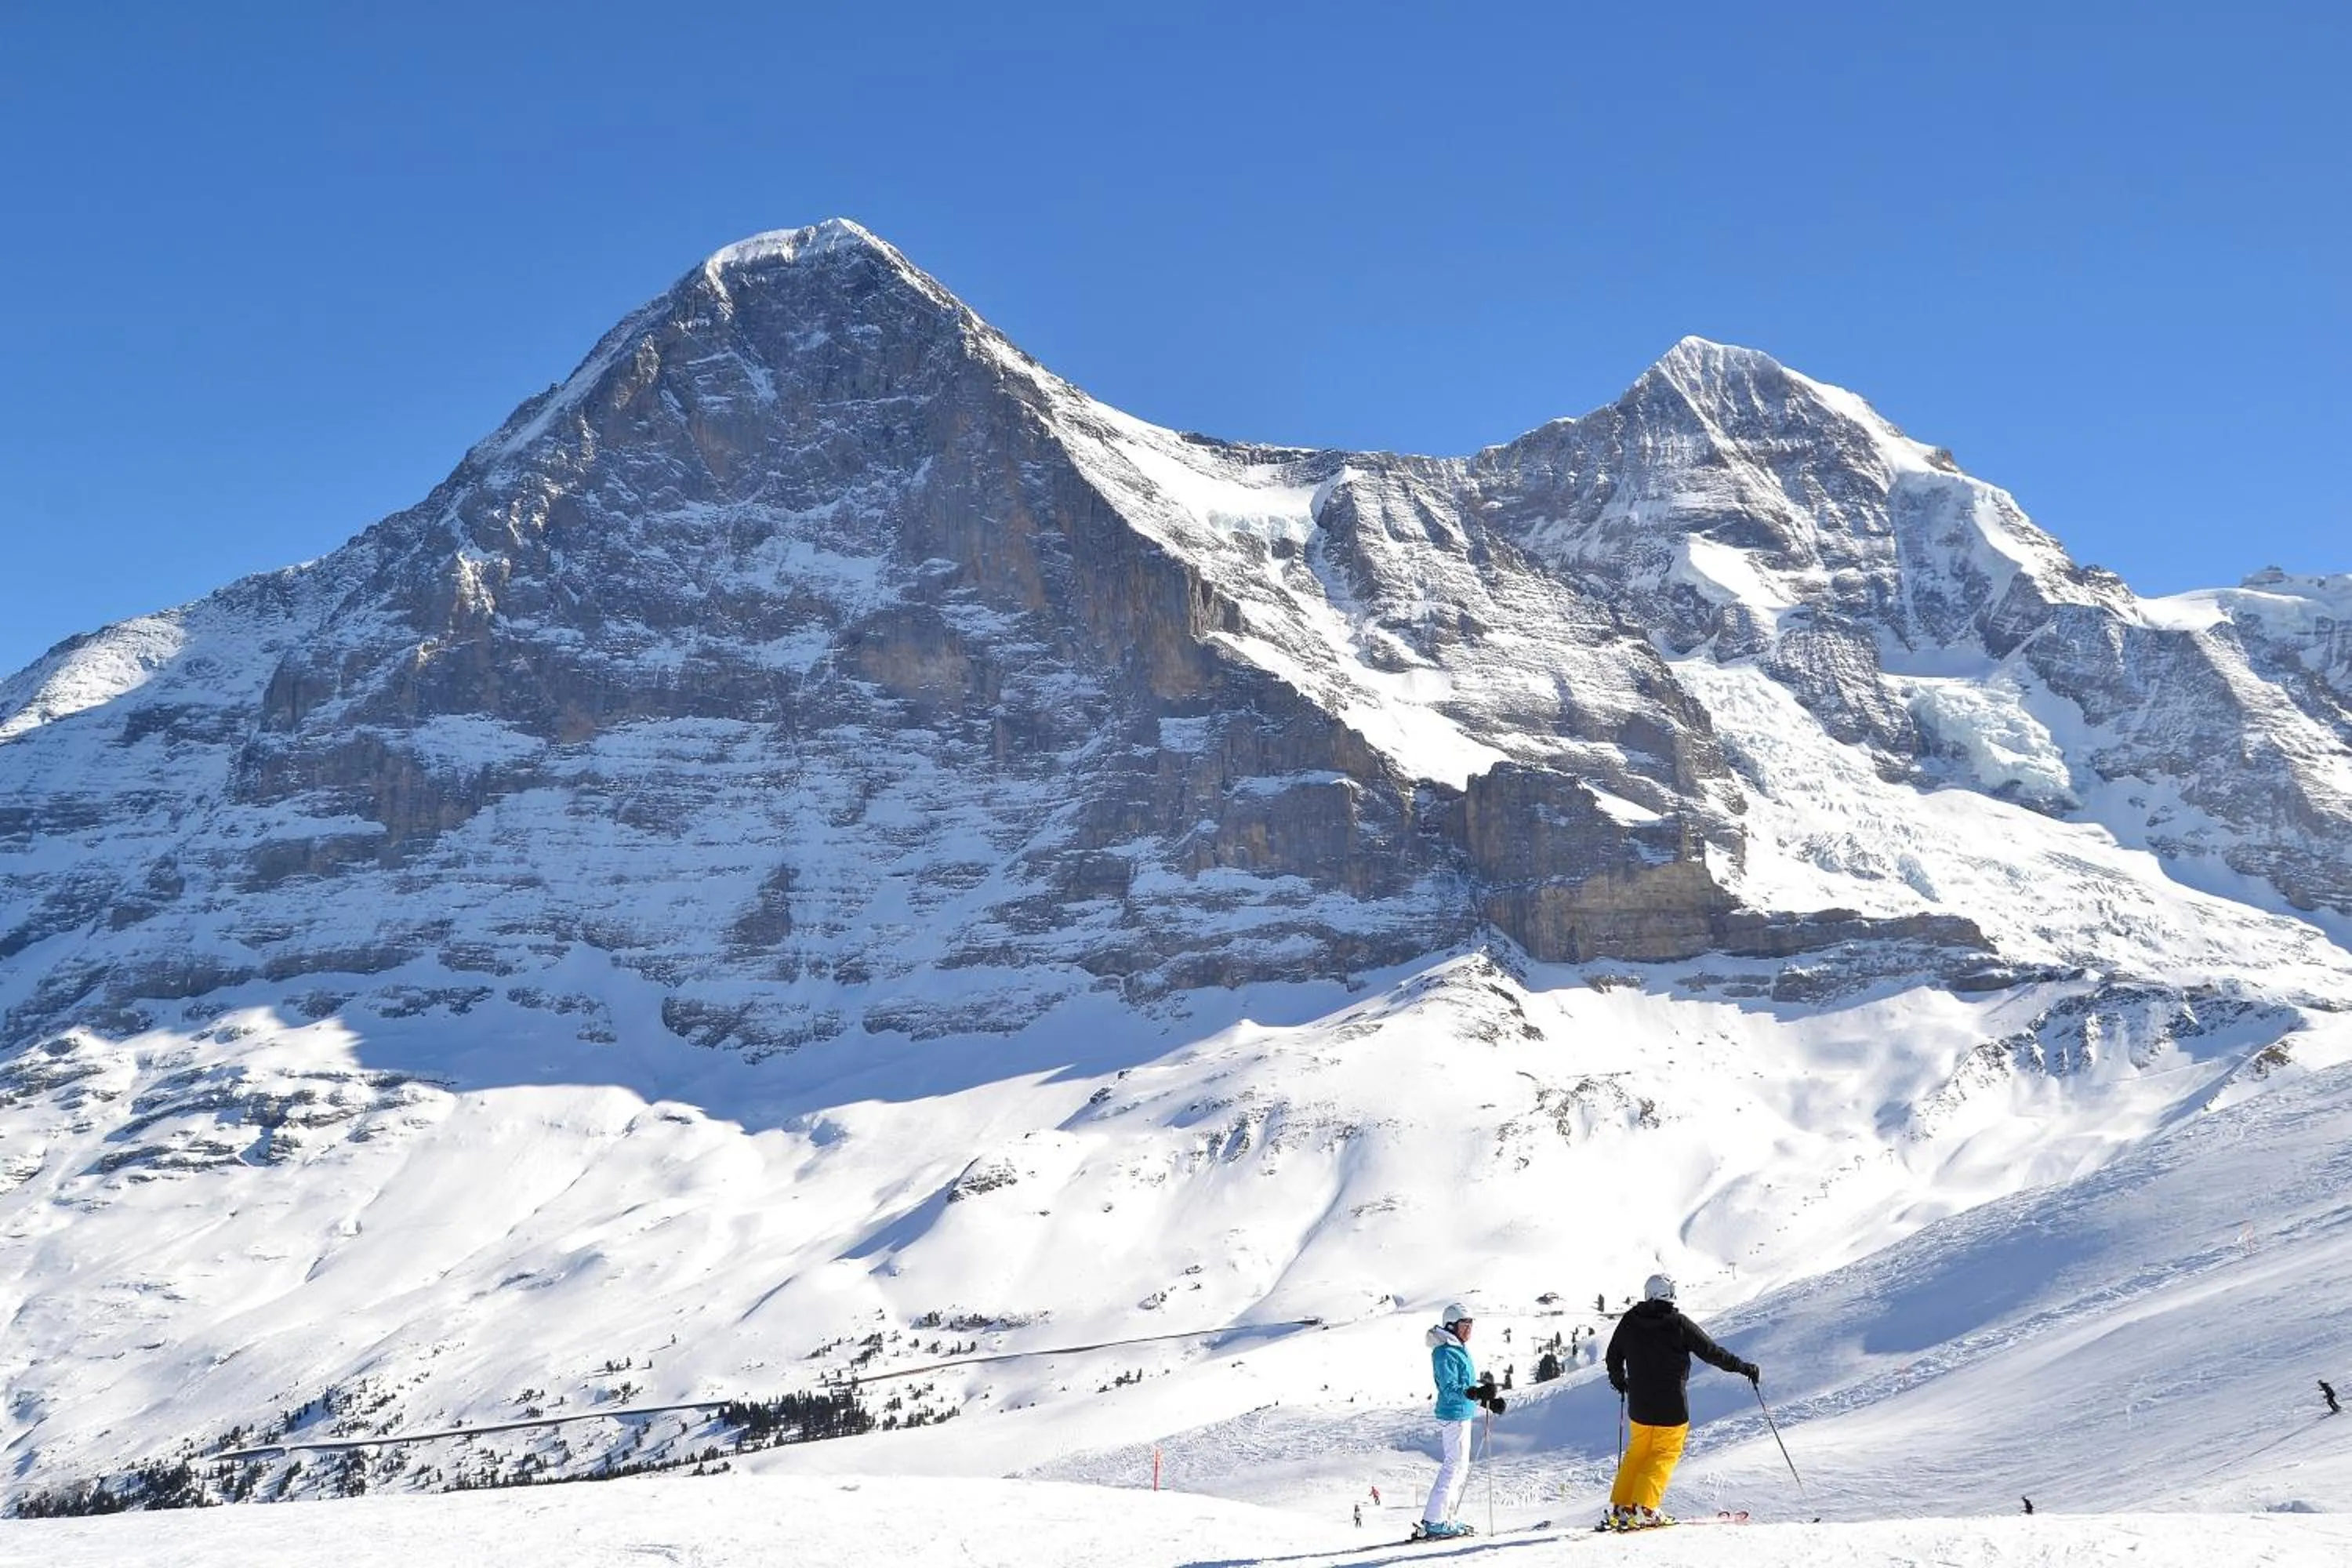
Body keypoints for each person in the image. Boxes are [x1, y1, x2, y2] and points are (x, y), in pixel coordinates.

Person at [1602, 1274, 1759, 1531]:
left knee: (1638, 1454)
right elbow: (1712, 1352)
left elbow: (1613, 1356)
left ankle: (1622, 1507)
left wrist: (1620, 1381)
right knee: (1663, 1454)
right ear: (1669, 1294)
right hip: (1671, 1407)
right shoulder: (1678, 1324)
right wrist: (1743, 1368)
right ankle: (1645, 1508)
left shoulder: (1630, 1321)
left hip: (1639, 1406)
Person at [1415, 1302, 1500, 1540]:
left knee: (1459, 1468)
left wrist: (1487, 1401)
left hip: (1461, 1413)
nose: (1469, 1329)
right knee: (1453, 1466)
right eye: (1465, 1325)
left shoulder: (1458, 1348)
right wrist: (1475, 1394)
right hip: (1453, 1415)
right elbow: (1450, 1387)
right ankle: (1434, 1520)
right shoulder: (1444, 1352)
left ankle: (1445, 1517)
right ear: (1452, 1325)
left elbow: (1466, 1386)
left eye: (1471, 1325)